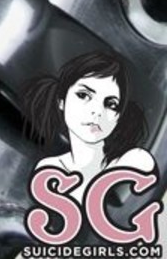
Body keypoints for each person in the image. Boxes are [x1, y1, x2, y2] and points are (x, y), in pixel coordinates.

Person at [24, 52, 154, 201]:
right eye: (84, 95)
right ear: (61, 101)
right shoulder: (49, 166)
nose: (97, 111)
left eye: (111, 104)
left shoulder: (134, 162)